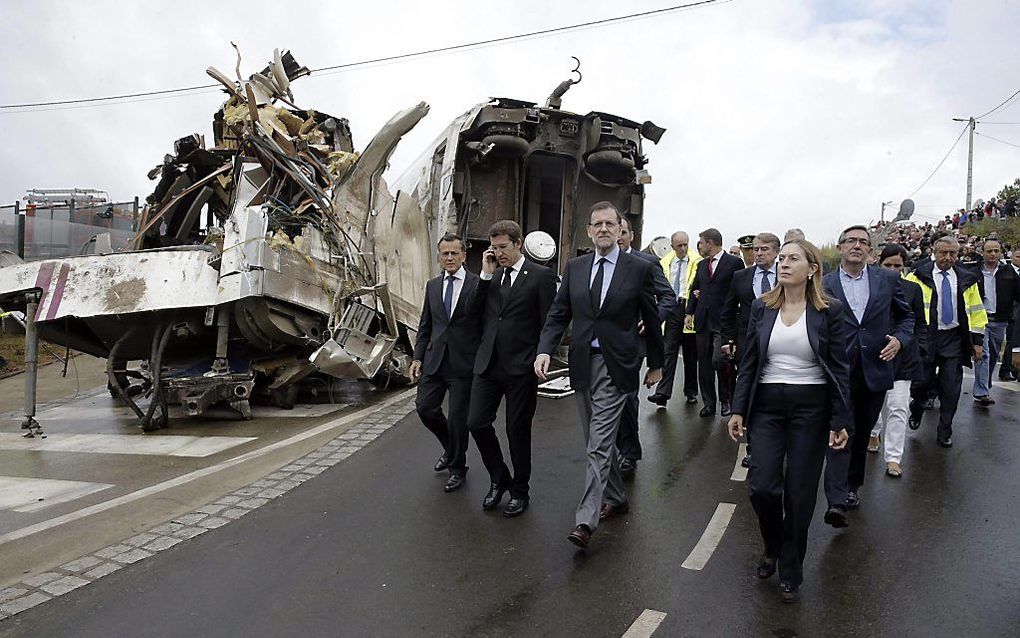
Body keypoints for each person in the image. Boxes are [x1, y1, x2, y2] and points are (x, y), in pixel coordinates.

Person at [535, 202, 665, 549]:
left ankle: (586, 520)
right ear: (589, 231)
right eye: (598, 224)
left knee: (598, 443)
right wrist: (545, 349)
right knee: (595, 440)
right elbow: (559, 312)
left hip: (617, 364)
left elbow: (652, 318)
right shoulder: (576, 268)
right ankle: (618, 498)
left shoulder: (637, 268)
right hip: (582, 363)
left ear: (620, 229)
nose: (604, 229)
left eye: (611, 223)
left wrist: (656, 362)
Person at [727, 239, 851, 603]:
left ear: (812, 268)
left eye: (792, 259)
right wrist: (738, 409)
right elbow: (749, 361)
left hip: (810, 408)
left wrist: (840, 420)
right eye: (781, 258)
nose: (783, 263)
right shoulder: (762, 307)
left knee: (799, 493)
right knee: (762, 486)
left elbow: (840, 368)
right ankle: (773, 544)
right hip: (766, 405)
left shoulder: (830, 310)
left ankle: (791, 569)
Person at [467, 220, 557, 517]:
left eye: (503, 247)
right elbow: (472, 313)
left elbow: (550, 321)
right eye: (493, 247)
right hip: (488, 364)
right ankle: (499, 477)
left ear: (518, 244)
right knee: (476, 423)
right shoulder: (490, 276)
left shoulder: (541, 276)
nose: (498, 253)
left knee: (517, 431)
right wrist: (483, 275)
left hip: (521, 367)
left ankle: (520, 491)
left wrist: (541, 354)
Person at [822, 225, 912, 516]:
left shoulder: (887, 279)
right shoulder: (824, 283)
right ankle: (836, 498)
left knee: (860, 432)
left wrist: (899, 340)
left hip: (875, 369)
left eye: (863, 242)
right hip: (837, 370)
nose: (857, 246)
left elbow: (906, 316)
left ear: (871, 251)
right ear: (840, 247)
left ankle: (851, 486)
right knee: (840, 428)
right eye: (851, 241)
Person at [409, 234, 484, 491]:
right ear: (439, 257)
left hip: (464, 363)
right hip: (434, 360)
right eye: (445, 254)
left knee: (458, 419)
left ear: (464, 256)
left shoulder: (477, 284)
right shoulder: (432, 286)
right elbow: (425, 325)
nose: (449, 258)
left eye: (454, 253)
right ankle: (450, 448)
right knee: (425, 408)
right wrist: (417, 356)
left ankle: (458, 468)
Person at [906, 236, 987, 447]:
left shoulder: (967, 279)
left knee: (951, 387)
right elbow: (906, 308)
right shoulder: (917, 276)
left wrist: (977, 342)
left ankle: (945, 430)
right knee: (921, 382)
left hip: (953, 338)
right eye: (943, 253)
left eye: (953, 253)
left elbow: (977, 312)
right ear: (934, 251)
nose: (948, 258)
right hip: (926, 337)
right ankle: (917, 405)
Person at [614, 217, 676, 477]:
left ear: (630, 235)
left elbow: (668, 297)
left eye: (623, 232)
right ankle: (610, 448)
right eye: (615, 231)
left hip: (632, 342)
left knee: (626, 396)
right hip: (602, 342)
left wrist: (652, 319)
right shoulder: (597, 263)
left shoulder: (647, 263)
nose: (618, 237)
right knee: (603, 399)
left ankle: (629, 452)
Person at [866, 244, 927, 478]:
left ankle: (893, 457)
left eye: (897, 266)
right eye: (887, 265)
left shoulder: (912, 289)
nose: (892, 270)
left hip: (903, 359)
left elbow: (920, 323)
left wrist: (917, 348)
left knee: (898, 407)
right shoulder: (869, 286)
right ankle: (874, 431)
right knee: (873, 404)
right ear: (879, 264)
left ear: (904, 267)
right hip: (873, 356)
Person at [721, 232, 780, 468]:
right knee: (752, 393)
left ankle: (778, 444)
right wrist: (728, 339)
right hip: (748, 344)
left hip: (779, 344)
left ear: (776, 252)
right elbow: (728, 310)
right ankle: (753, 448)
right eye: (756, 249)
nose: (759, 253)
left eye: (764, 249)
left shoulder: (786, 277)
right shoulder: (741, 277)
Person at [686, 228, 744, 417]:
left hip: (723, 321)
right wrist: (689, 312)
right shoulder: (702, 265)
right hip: (703, 320)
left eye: (701, 242)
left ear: (710, 243)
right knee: (703, 364)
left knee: (720, 361)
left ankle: (726, 400)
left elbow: (739, 290)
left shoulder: (734, 263)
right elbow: (695, 288)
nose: (700, 246)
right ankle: (709, 403)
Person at [649, 232, 702, 407]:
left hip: (690, 308)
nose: (683, 249)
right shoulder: (665, 262)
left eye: (686, 244)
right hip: (672, 307)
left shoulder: (697, 262)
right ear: (672, 246)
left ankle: (691, 391)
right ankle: (663, 393)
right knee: (668, 351)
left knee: (690, 353)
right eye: (679, 245)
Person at [971, 239, 1018, 402]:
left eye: (996, 251)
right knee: (983, 354)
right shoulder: (974, 271)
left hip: (1000, 320)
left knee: (993, 355)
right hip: (979, 320)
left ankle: (985, 384)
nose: (992, 254)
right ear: (982, 252)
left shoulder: (1008, 272)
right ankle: (981, 392)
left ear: (1001, 253)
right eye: (989, 251)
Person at [1001, 250, 1020, 381]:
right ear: (1011, 257)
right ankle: (1006, 369)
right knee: (1012, 342)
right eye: (1018, 256)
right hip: (1011, 313)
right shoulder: (1005, 271)